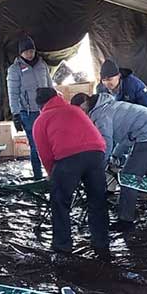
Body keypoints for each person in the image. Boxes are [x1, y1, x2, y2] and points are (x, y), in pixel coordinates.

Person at [31, 87, 110, 260]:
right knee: (97, 200)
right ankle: (101, 242)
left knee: (60, 202)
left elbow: (44, 153)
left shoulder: (41, 120)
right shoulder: (75, 110)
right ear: (58, 97)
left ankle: (63, 246)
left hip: (67, 158)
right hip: (96, 153)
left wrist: (52, 173)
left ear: (40, 106)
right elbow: (94, 134)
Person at [79, 92, 147, 232]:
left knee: (128, 178)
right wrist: (115, 155)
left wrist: (101, 165)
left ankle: (126, 220)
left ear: (85, 107)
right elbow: (125, 136)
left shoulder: (100, 115)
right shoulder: (108, 104)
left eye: (81, 111)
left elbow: (106, 142)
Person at [7, 36, 54, 180]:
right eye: (26, 51)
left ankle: (53, 173)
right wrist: (16, 114)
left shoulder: (42, 65)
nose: (29, 54)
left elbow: (50, 85)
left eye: (31, 51)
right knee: (36, 146)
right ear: (20, 53)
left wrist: (53, 102)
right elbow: (13, 93)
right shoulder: (15, 69)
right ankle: (38, 176)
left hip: (45, 110)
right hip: (28, 113)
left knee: (51, 143)